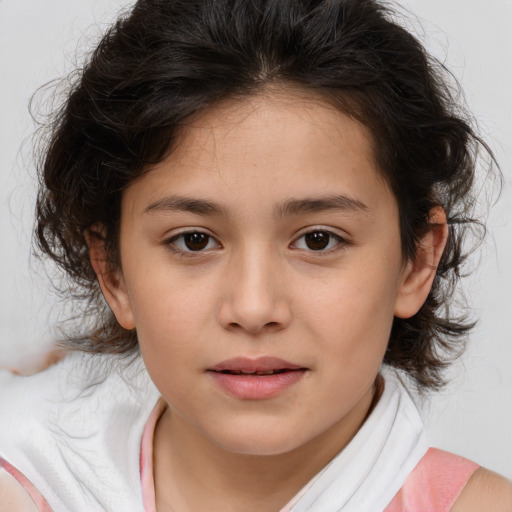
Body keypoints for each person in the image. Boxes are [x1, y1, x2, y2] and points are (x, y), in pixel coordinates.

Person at [0, 0, 511, 510]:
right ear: (113, 271)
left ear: (416, 262)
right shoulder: (26, 477)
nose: (253, 308)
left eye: (318, 240)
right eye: (193, 240)